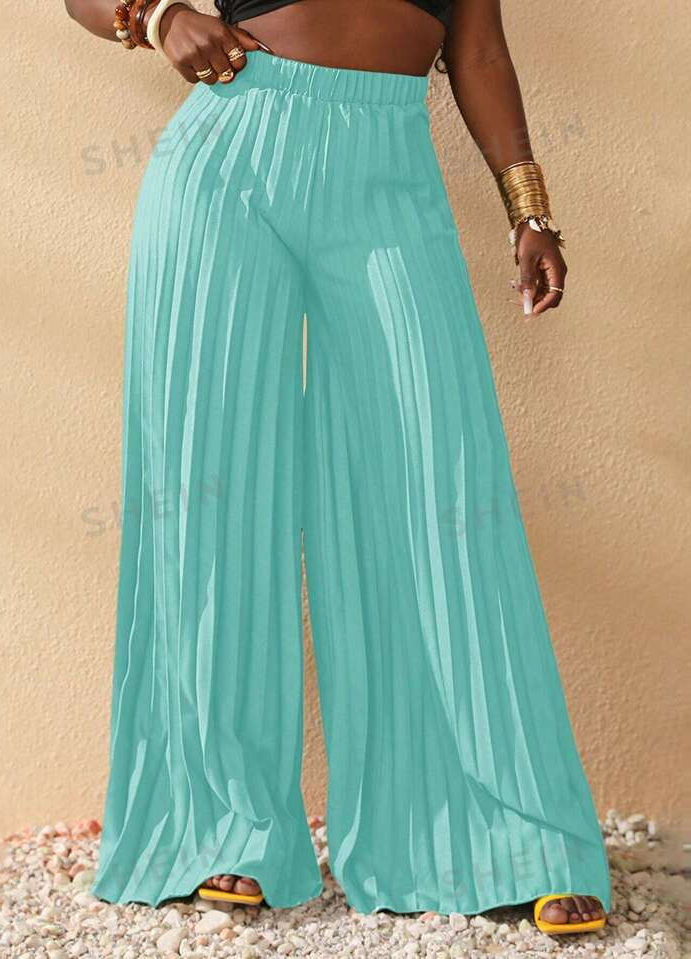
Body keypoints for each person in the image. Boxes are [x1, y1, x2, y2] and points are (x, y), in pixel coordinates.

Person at [65, 0, 612, 934]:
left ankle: (501, 837)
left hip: (390, 168)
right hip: (228, 158)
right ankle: (219, 827)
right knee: (211, 490)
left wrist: (530, 211)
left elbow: (479, 51)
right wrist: (155, 16)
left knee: (441, 493)